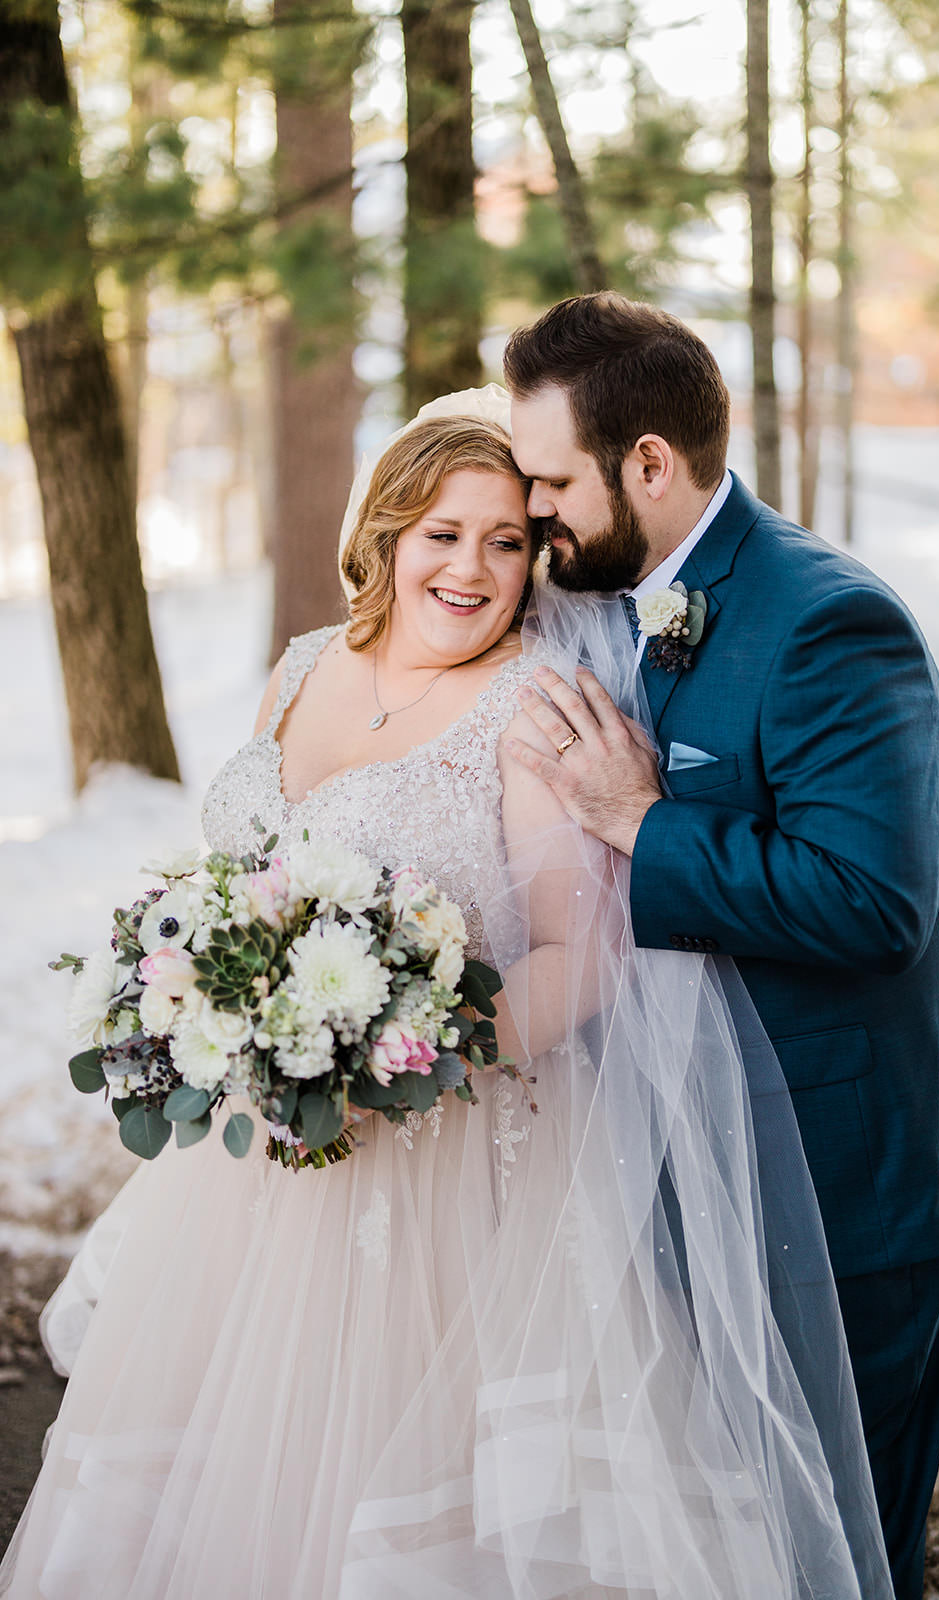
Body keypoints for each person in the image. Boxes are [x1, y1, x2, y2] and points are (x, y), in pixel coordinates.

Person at [1, 406, 892, 1598]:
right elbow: (240, 876)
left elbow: (587, 950)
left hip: (454, 1164)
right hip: (256, 1162)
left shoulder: (535, 705)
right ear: (384, 531)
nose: (470, 568)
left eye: (506, 542)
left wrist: (398, 1066)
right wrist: (208, 1007)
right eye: (440, 533)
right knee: (227, 1474)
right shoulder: (302, 663)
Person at [503, 291, 939, 1600]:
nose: (532, 509)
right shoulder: (603, 599)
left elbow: (870, 903)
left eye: (552, 478)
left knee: (828, 1551)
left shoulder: (829, 624)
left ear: (649, 464)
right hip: (679, 1182)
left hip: (843, 1199)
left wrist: (642, 823)